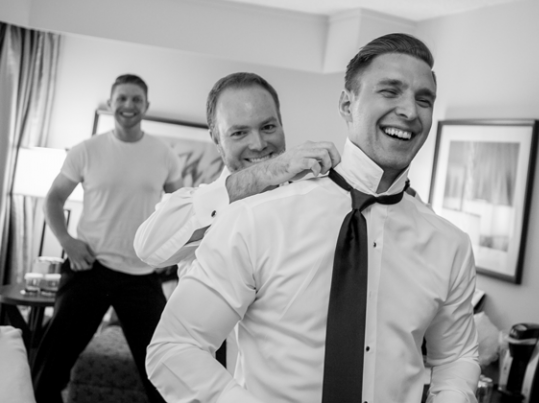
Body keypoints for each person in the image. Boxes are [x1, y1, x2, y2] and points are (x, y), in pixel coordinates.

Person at [147, 34, 481, 402]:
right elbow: (172, 342)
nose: (410, 111)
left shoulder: (449, 244)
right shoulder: (255, 218)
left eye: (424, 99)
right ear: (346, 104)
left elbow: (457, 356)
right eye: (390, 91)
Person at [32, 74, 183, 403]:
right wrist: (67, 242)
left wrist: (169, 255)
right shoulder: (86, 150)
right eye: (122, 98)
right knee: (50, 366)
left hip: (140, 276)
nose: (129, 105)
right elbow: (53, 199)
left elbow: (179, 211)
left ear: (146, 106)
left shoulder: (164, 155)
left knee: (163, 369)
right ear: (111, 103)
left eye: (136, 100)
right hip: (89, 268)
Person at [134, 72, 341, 278]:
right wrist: (266, 173)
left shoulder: (314, 197)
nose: (259, 144)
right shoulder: (198, 207)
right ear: (216, 139)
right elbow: (147, 249)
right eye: (239, 133)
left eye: (268, 127)